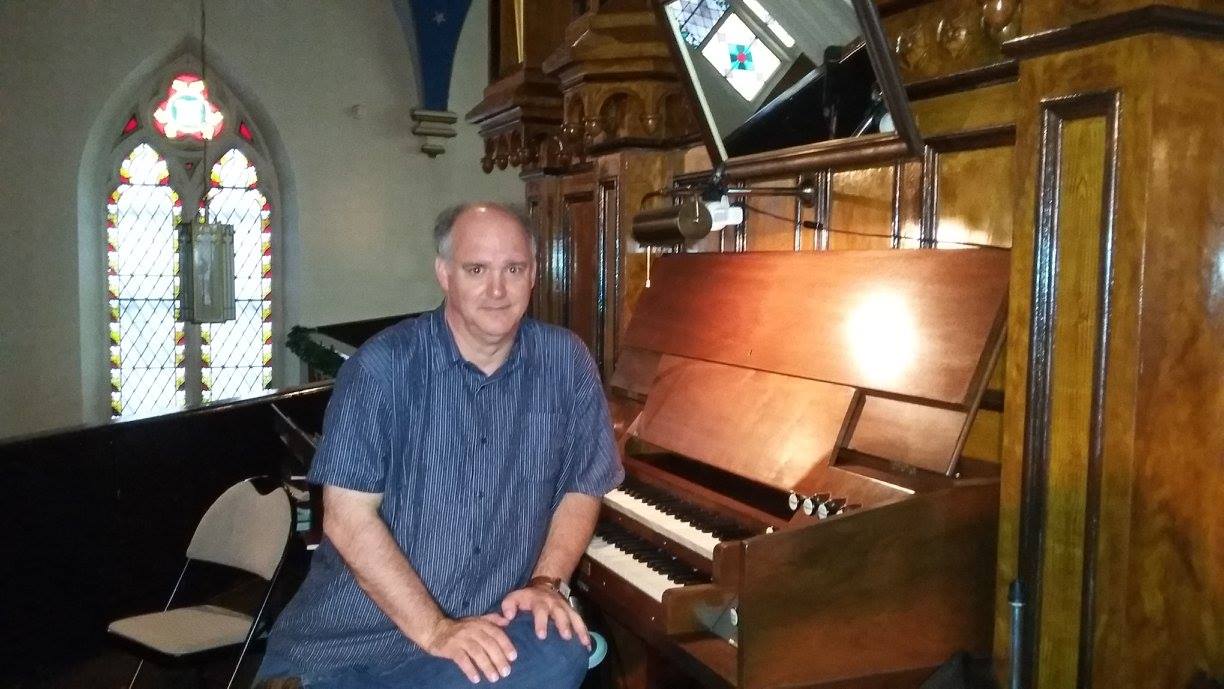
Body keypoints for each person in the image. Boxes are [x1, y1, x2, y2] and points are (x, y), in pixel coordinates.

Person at [256, 202, 623, 688]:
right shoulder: (381, 368)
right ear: (444, 274)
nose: (497, 289)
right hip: (350, 647)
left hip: (482, 633)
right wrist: (435, 629)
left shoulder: (567, 363)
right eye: (477, 269)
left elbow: (583, 484)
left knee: (563, 645)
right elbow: (347, 520)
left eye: (513, 269)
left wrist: (546, 582)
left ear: (534, 274)